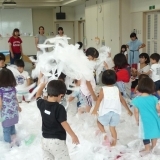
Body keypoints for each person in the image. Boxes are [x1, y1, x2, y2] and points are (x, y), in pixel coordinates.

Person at [36, 80, 79, 160]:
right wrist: (73, 135)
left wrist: (42, 86)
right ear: (61, 96)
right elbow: (64, 123)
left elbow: (37, 96)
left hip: (45, 141)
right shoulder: (59, 108)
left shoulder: (42, 104)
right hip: (57, 142)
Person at [92, 70, 132, 146]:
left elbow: (99, 100)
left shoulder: (103, 89)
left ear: (103, 80)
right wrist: (128, 110)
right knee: (112, 128)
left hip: (106, 112)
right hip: (116, 113)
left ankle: (104, 133)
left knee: (98, 122)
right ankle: (114, 144)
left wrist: (94, 110)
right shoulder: (116, 89)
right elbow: (122, 100)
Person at [132, 77, 160, 153]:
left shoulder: (136, 100)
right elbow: (158, 109)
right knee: (154, 132)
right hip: (154, 119)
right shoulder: (154, 98)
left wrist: (137, 120)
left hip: (144, 120)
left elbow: (136, 111)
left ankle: (147, 148)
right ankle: (154, 146)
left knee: (144, 134)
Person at [0, 68, 21, 146]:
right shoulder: (13, 89)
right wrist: (18, 107)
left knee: (6, 129)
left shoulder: (1, 90)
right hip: (14, 112)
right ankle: (14, 139)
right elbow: (16, 98)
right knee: (12, 126)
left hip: (6, 114)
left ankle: (7, 144)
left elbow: (0, 104)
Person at [79, 47, 99, 113]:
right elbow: (88, 83)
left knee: (89, 105)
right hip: (87, 91)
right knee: (89, 107)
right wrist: (93, 95)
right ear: (90, 56)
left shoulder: (86, 65)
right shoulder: (87, 67)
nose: (95, 59)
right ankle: (82, 111)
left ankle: (82, 110)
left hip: (87, 89)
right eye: (95, 58)